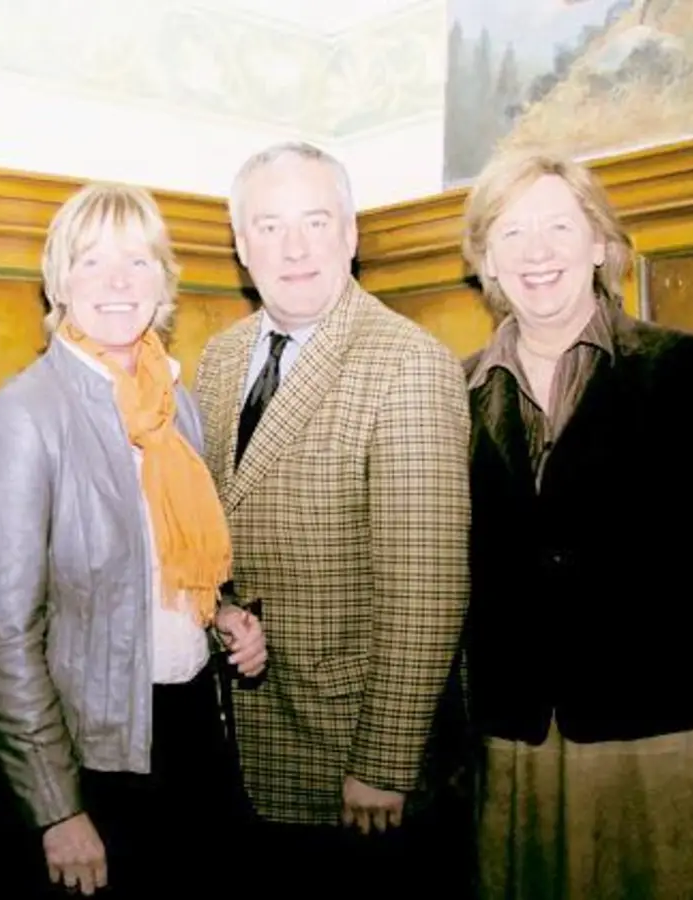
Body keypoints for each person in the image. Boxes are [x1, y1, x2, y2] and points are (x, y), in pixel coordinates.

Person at [459, 149, 693, 899]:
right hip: (515, 747)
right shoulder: (453, 389)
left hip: (658, 737)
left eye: (560, 227)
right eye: (512, 233)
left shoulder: (681, 368)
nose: (538, 253)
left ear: (600, 244)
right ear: (487, 263)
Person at [0, 181, 266, 897]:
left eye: (138, 262)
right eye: (92, 262)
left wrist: (220, 618)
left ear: (165, 282)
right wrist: (56, 808)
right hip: (87, 759)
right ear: (59, 282)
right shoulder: (18, 418)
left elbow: (160, 570)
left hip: (190, 734)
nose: (118, 282)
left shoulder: (176, 406)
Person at [190, 142, 473, 891]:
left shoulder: (408, 363)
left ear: (351, 234)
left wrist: (384, 761)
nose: (296, 247)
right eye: (270, 226)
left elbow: (427, 589)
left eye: (317, 222)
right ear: (242, 247)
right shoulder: (218, 359)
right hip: (228, 749)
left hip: (347, 760)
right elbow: (204, 532)